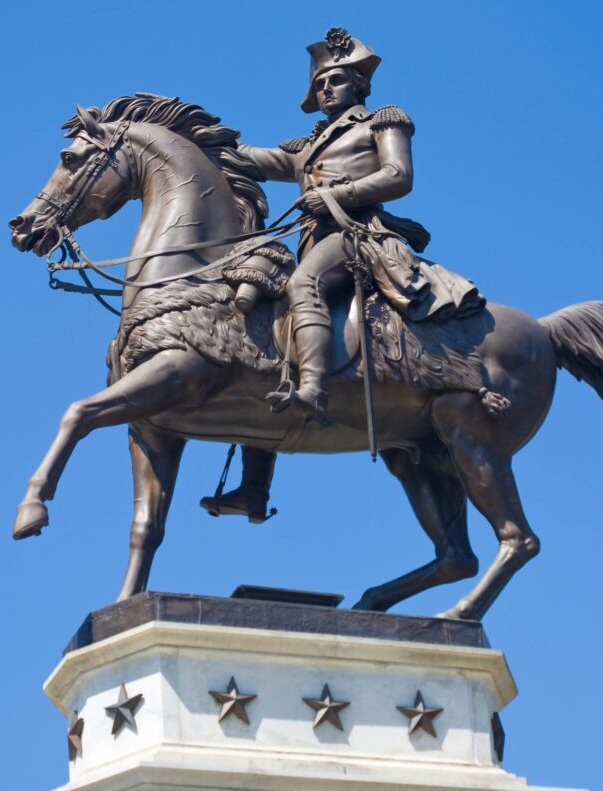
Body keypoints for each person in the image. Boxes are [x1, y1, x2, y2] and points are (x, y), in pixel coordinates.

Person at [201, 28, 485, 521]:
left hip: (358, 235)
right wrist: (200, 142)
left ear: (359, 85)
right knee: (263, 338)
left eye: (337, 80)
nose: (327, 88)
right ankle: (253, 488)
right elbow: (256, 160)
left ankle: (313, 387)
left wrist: (336, 195)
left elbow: (399, 177)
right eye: (322, 83)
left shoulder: (382, 122)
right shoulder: (308, 144)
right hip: (317, 238)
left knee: (301, 285)